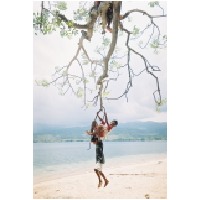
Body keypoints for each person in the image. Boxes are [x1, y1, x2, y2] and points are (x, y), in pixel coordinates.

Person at [86, 112, 118, 188]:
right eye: (111, 122)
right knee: (97, 170)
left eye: (112, 123)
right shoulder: (106, 125)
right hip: (99, 142)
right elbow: (103, 121)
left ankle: (103, 180)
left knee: (97, 169)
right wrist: (98, 115)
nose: (111, 123)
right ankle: (103, 180)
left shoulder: (109, 127)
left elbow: (105, 122)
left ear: (114, 125)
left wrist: (106, 116)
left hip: (100, 141)